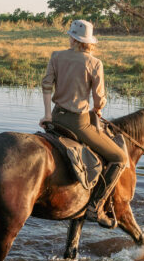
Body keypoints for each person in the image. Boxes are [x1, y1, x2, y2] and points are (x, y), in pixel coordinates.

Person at [40, 19, 128, 229]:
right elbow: (98, 101)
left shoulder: (56, 56)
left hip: (56, 118)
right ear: (88, 42)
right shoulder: (95, 63)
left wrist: (47, 116)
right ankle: (95, 207)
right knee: (120, 158)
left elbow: (46, 86)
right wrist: (98, 109)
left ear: (73, 38)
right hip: (79, 124)